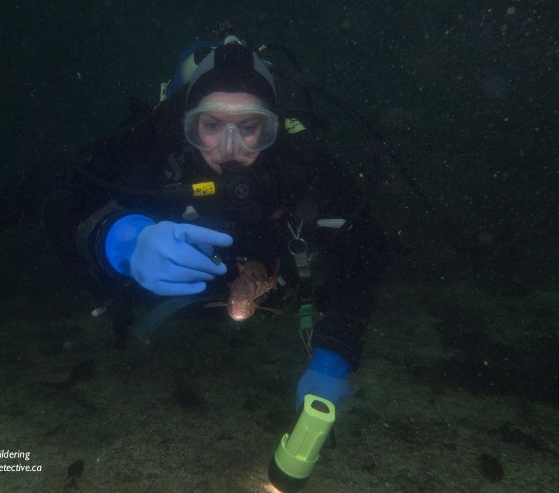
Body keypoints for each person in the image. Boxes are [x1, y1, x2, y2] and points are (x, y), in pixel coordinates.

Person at [48, 34, 389, 413]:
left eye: (249, 127)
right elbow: (65, 212)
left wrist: (334, 356)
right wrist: (120, 240)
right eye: (210, 126)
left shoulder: (302, 161)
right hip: (165, 334)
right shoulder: (154, 142)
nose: (229, 149)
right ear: (186, 125)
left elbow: (368, 249)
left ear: (273, 128)